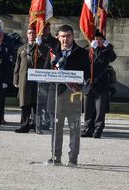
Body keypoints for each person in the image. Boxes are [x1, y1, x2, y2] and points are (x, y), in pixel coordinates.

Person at [43, 24, 90, 166]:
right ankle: (55, 156)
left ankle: (73, 158)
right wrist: (54, 76)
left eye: (68, 36)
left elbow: (87, 75)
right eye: (62, 36)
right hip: (56, 96)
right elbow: (45, 72)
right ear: (58, 37)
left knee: (74, 129)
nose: (65, 39)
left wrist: (76, 79)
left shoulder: (81, 53)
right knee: (56, 128)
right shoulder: (52, 53)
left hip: (72, 96)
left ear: (73, 36)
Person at [81, 30, 117, 138]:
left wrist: (106, 47)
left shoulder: (106, 51)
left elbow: (108, 59)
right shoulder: (87, 50)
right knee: (88, 108)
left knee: (100, 110)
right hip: (89, 83)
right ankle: (87, 128)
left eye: (100, 39)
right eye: (96, 39)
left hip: (101, 84)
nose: (97, 41)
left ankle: (98, 129)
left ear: (103, 41)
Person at [13, 26, 49, 133]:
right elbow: (17, 65)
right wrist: (16, 79)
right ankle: (24, 125)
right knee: (24, 103)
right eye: (29, 33)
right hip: (24, 79)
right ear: (27, 35)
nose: (32, 35)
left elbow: (47, 56)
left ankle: (36, 125)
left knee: (36, 103)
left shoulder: (42, 47)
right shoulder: (21, 48)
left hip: (37, 78)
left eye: (34, 33)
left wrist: (40, 45)